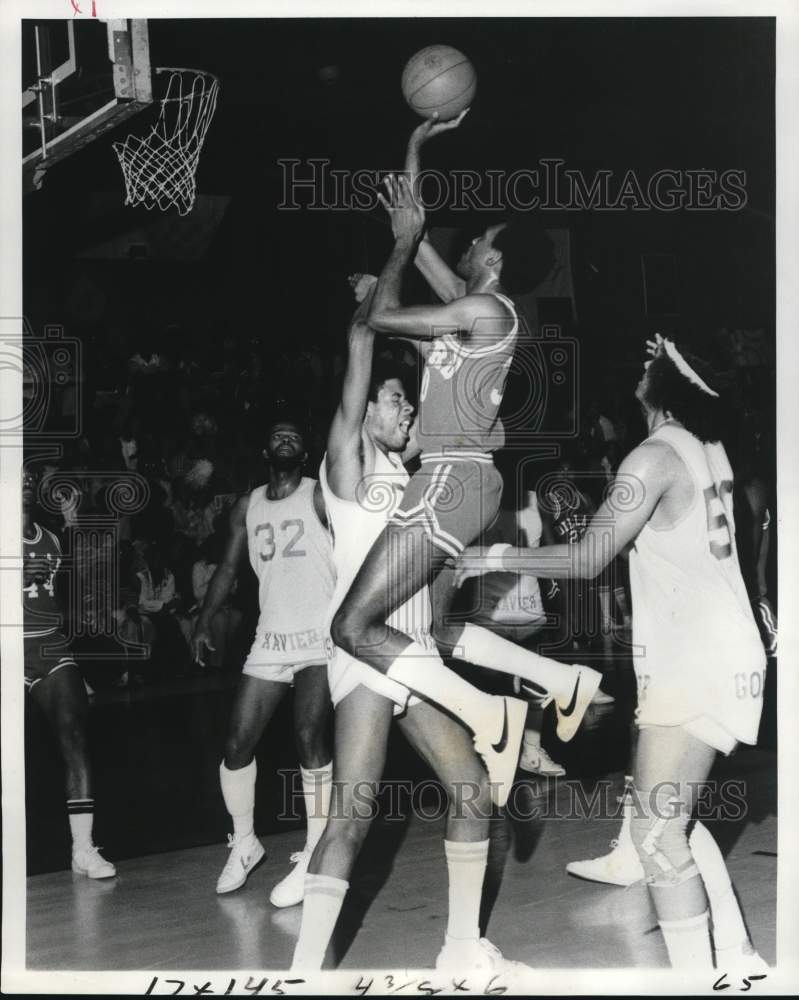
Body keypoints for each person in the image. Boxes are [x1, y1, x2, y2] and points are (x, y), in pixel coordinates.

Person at [455, 334, 768, 971]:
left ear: (662, 388)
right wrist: (677, 359)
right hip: (714, 653)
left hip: (697, 661)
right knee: (669, 820)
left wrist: (489, 556)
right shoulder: (707, 448)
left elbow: (587, 558)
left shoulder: (652, 457)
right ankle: (736, 955)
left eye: (650, 365)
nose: (638, 371)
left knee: (656, 838)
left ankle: (698, 977)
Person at [330, 119, 603, 801]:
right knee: (430, 627)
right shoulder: (477, 304)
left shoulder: (484, 310)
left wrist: (393, 255)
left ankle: (493, 716)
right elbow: (418, 233)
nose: (471, 238)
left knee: (351, 626)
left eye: (480, 238)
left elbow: (382, 318)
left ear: (495, 259)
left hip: (451, 478)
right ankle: (561, 685)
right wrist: (416, 147)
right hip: (460, 481)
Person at [291, 277, 529, 976]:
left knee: (471, 793)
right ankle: (305, 973)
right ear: (360, 414)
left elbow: (472, 417)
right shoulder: (346, 459)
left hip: (414, 656)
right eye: (392, 400)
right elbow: (365, 331)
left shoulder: (411, 470)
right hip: (369, 660)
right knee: (352, 818)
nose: (404, 408)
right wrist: (393, 257)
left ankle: (460, 949)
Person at [191, 419, 335, 906]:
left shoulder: (321, 495)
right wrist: (204, 619)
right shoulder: (246, 506)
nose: (287, 435)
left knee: (309, 738)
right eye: (278, 432)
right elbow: (230, 569)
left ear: (306, 451)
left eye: (297, 432)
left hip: (320, 636)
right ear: (265, 449)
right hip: (271, 638)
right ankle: (245, 842)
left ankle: (317, 850)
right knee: (236, 743)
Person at [22, 466, 116, 879]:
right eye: (16, 477)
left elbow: (83, 581)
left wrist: (75, 524)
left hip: (49, 644)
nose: (24, 483)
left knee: (74, 732)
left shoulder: (51, 538)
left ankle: (82, 847)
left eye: (30, 479)